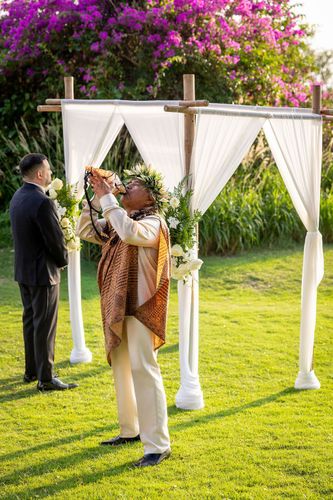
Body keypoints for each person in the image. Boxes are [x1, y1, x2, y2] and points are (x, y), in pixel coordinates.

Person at [77, 164, 171, 467]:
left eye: (135, 184)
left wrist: (109, 199)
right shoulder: (121, 218)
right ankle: (130, 430)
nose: (127, 185)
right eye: (126, 182)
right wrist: (97, 196)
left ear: (150, 198)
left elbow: (129, 234)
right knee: (122, 366)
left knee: (144, 368)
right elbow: (84, 229)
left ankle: (158, 445)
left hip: (142, 307)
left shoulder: (154, 222)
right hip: (119, 305)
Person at [9, 153, 78, 392]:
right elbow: (54, 241)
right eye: (47, 170)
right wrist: (63, 260)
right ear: (39, 174)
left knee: (31, 322)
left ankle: (32, 371)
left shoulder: (18, 196)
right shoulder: (42, 201)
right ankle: (46, 378)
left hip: (23, 270)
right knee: (45, 325)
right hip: (42, 273)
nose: (50, 173)